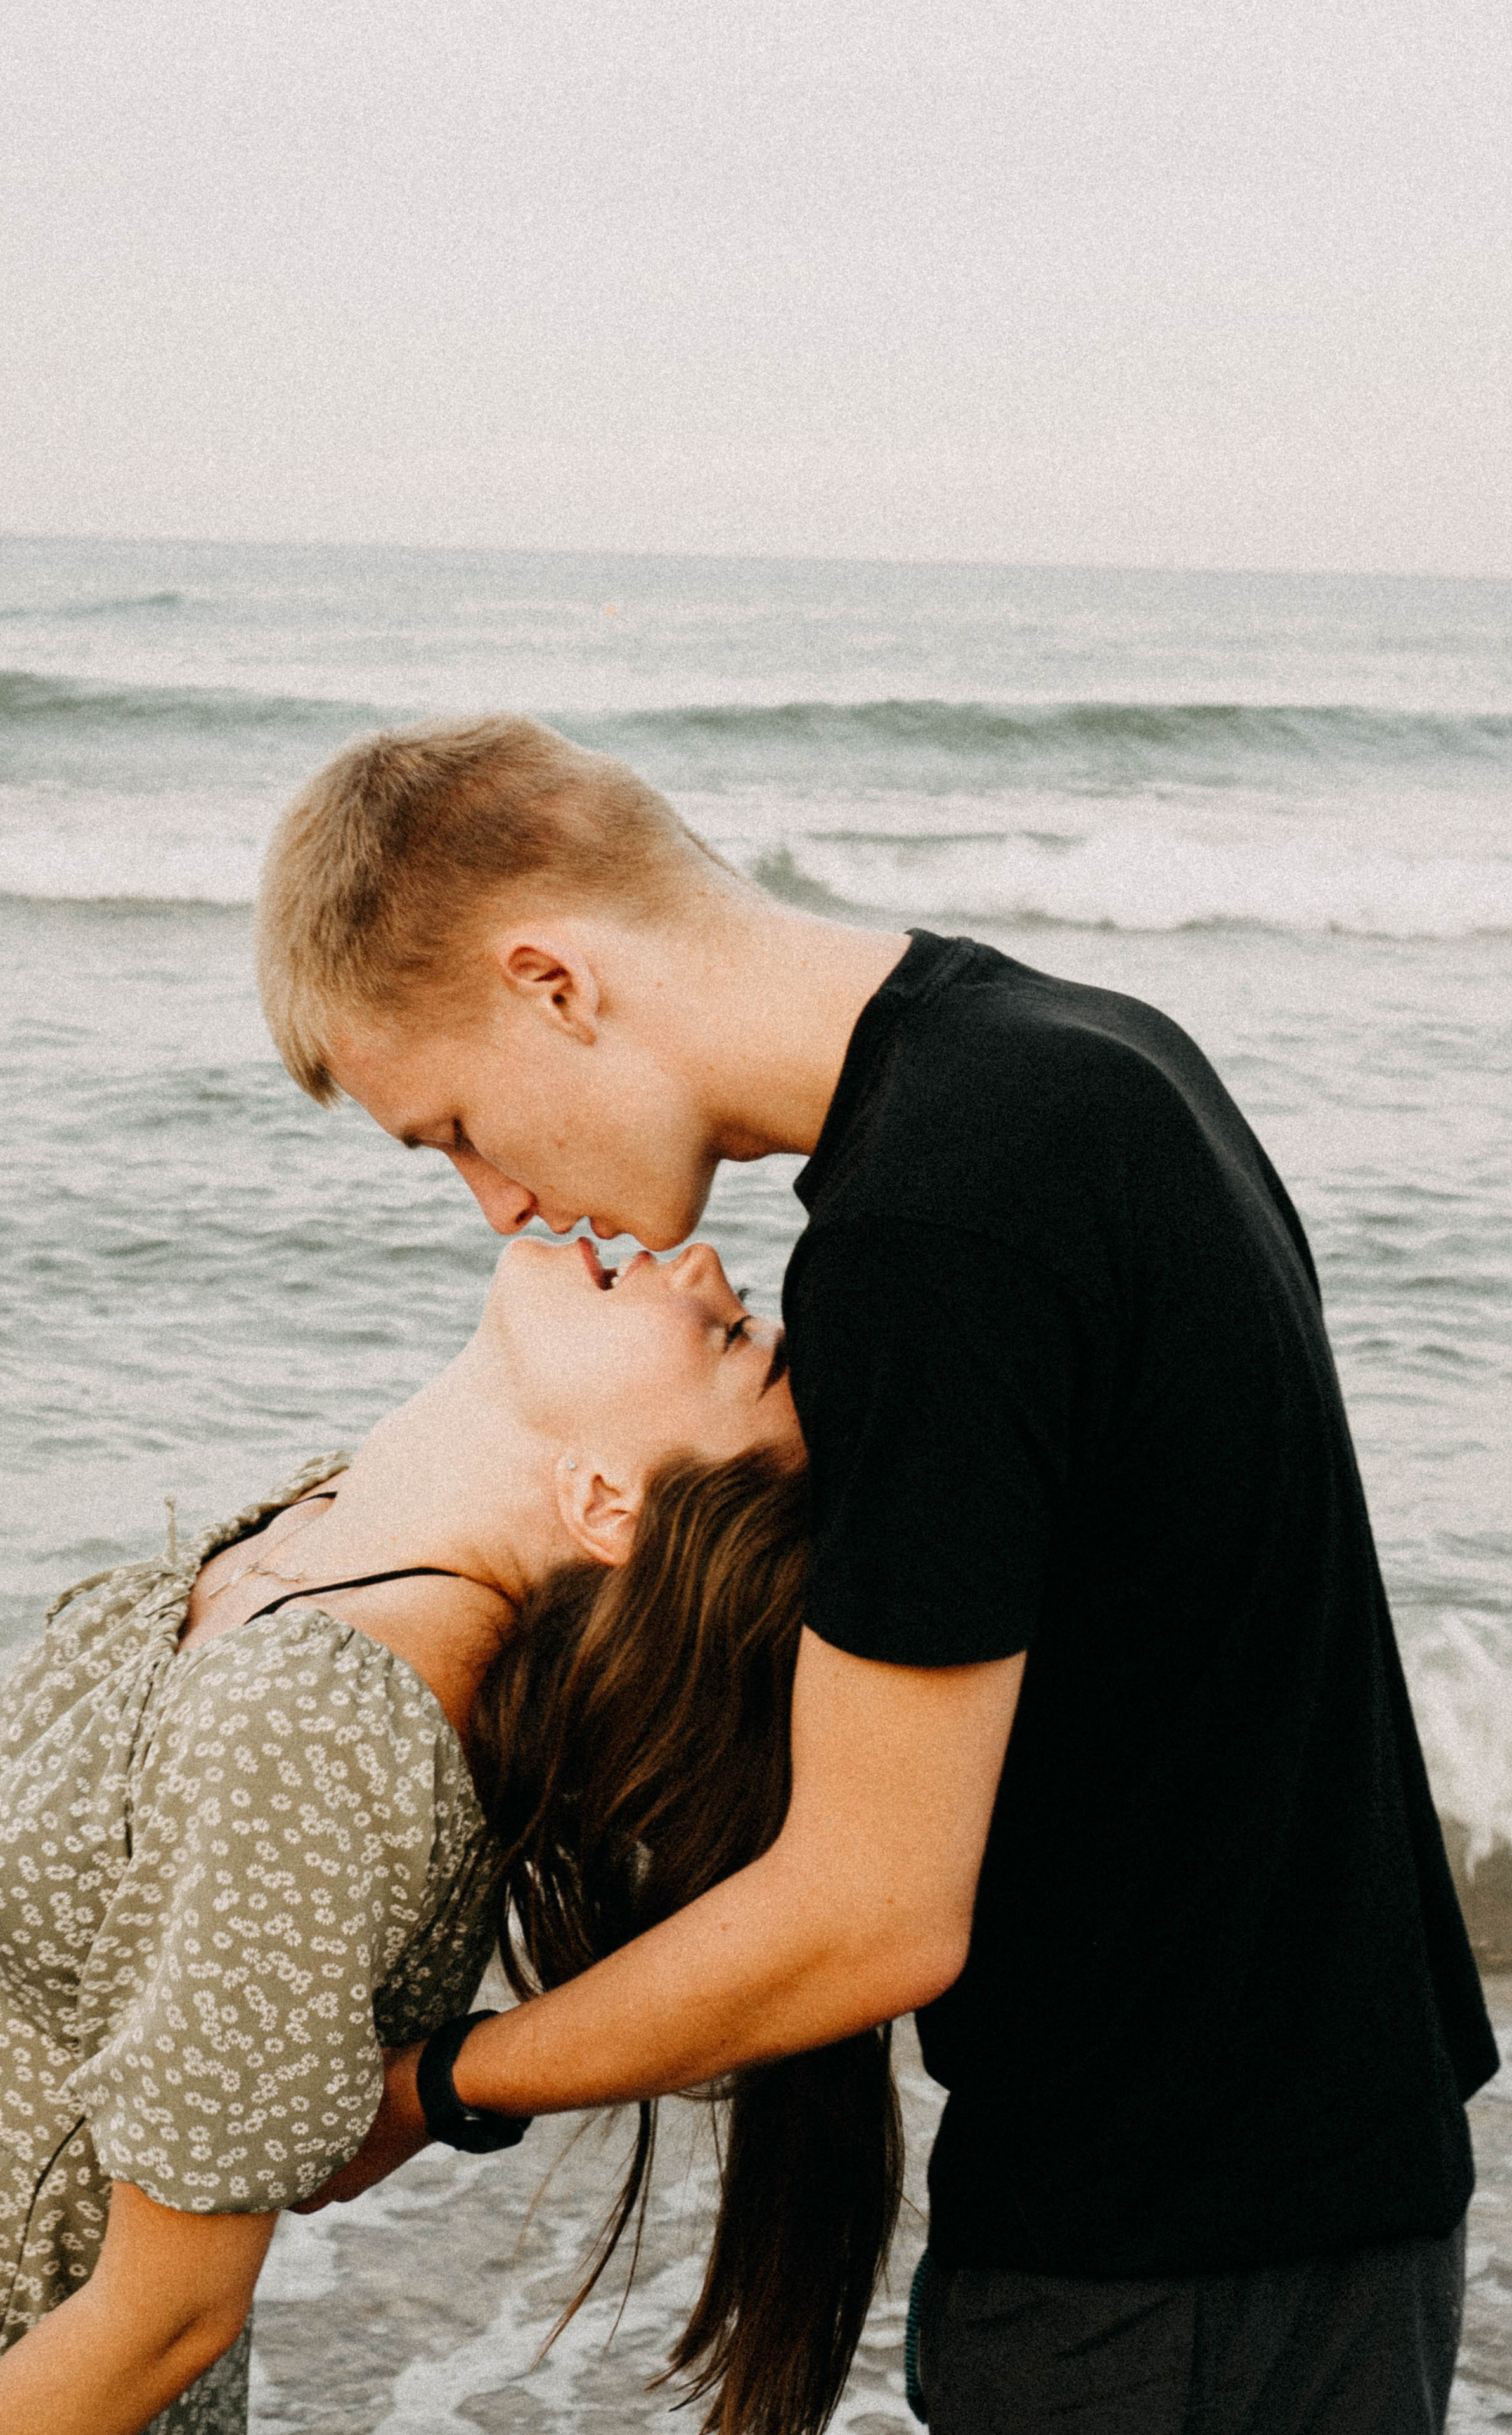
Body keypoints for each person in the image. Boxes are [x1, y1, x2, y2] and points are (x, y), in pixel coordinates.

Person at [255, 712, 1500, 2435]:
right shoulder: (1073, 1052)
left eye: (457, 1126)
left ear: (552, 982)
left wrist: (434, 2089)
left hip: (1174, 2259)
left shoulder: (935, 1227)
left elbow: (868, 1916)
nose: (498, 1206)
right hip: (1306, 2194)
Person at [0, 1233, 888, 2435]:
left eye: (732, 1341)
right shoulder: (347, 1531)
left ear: (606, 1501)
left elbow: (166, 2317)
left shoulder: (315, 1729)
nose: (705, 1263)